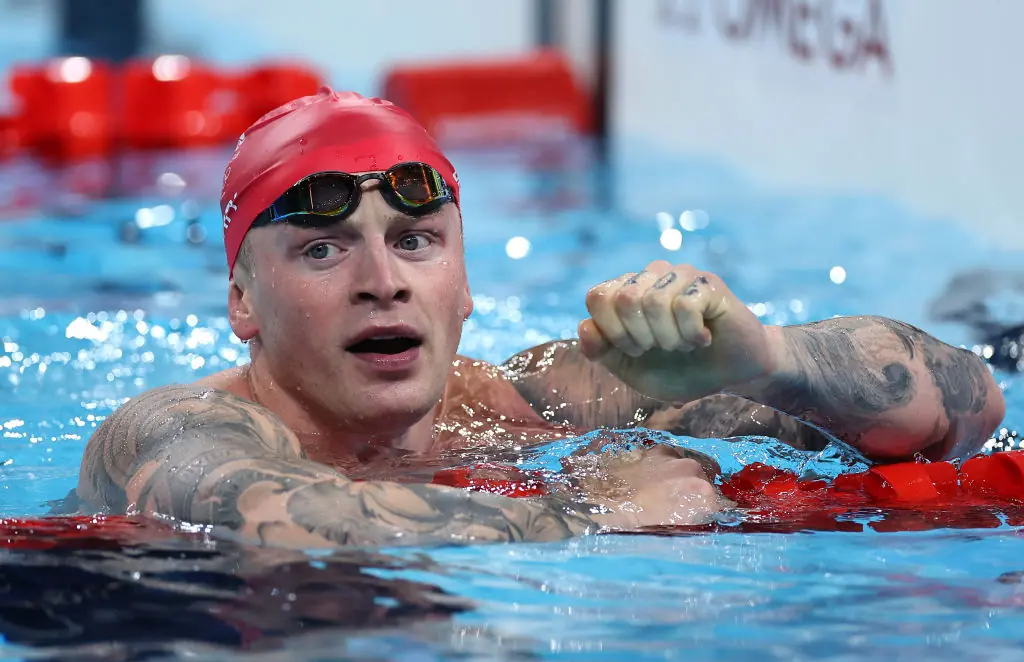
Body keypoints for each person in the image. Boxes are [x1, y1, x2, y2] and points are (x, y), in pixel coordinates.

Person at [76, 88, 1006, 549]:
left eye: (415, 240)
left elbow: (971, 410)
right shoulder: (172, 430)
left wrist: (763, 359)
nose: (380, 280)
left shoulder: (532, 403)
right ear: (241, 300)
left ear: (464, 282)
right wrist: (596, 511)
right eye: (321, 249)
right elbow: (279, 521)